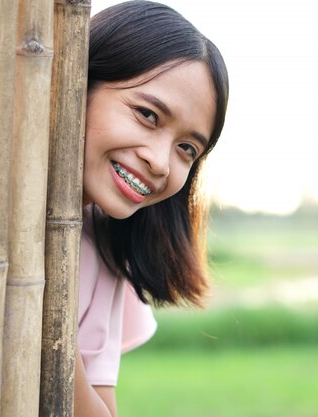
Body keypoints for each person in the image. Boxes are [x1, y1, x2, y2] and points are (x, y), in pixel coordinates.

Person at [74, 1, 229, 416]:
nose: (161, 162)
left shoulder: (103, 248)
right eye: (147, 114)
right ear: (79, 81)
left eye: (186, 148)